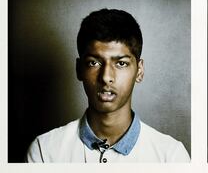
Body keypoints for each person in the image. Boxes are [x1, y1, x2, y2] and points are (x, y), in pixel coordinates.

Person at [27, 9, 190, 162]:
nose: (106, 77)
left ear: (139, 71)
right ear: (79, 69)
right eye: (94, 62)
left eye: (121, 63)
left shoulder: (171, 156)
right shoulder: (45, 150)